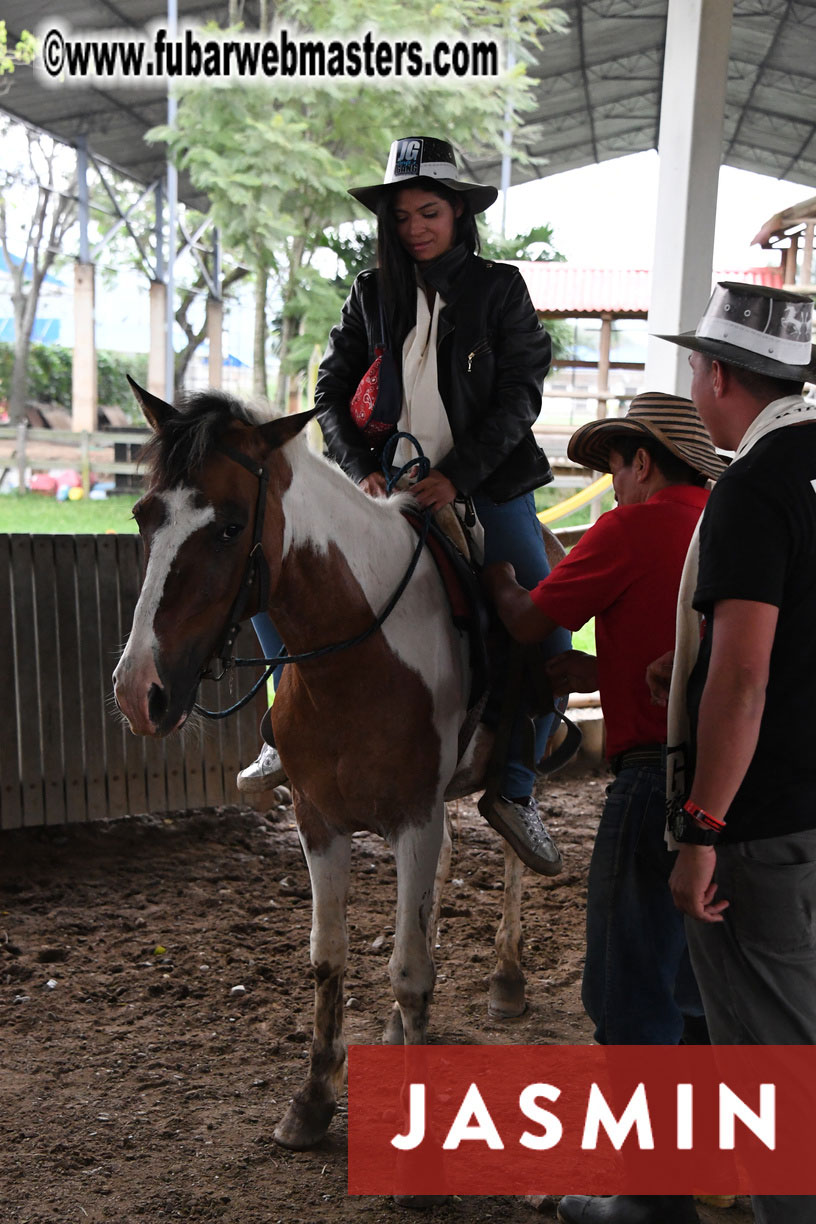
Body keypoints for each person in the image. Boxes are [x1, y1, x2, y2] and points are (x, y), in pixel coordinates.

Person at [242, 134, 570, 876]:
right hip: (380, 486)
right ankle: (278, 732)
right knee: (269, 577)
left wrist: (460, 475)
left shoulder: (501, 290)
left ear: (459, 213)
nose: (415, 226)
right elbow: (330, 391)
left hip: (487, 486)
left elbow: (521, 396)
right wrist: (357, 468)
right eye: (402, 216)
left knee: (546, 629)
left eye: (429, 212)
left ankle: (516, 788)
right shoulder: (369, 294)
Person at [484, 392, 726, 1224]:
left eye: (614, 468)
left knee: (629, 991)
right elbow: (696, 655)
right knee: (702, 987)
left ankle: (647, 1203)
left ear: (643, 461)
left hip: (648, 781)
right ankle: (711, 1170)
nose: (612, 485)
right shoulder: (728, 526)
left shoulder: (633, 526)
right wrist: (605, 673)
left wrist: (496, 561)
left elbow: (525, 620)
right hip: (733, 792)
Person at [652, 281, 816, 1224]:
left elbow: (745, 680)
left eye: (694, 365)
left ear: (719, 375)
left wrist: (701, 828)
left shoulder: (755, 487)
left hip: (765, 823)